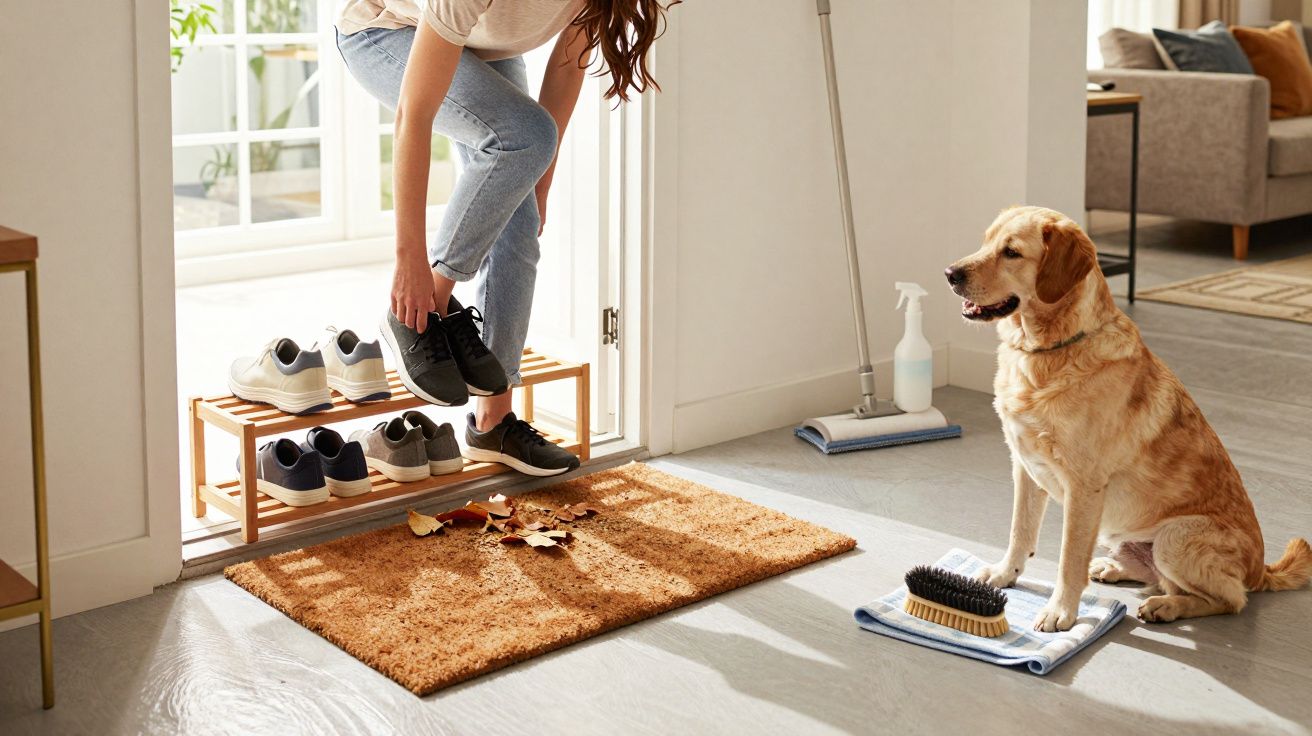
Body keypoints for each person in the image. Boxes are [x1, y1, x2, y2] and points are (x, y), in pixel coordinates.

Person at [335, 0, 676, 476]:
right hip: (387, 32)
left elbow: (567, 66)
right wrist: (409, 265)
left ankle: (492, 423)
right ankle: (417, 314)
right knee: (525, 133)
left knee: (520, 224)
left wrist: (541, 180)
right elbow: (414, 117)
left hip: (485, 45)